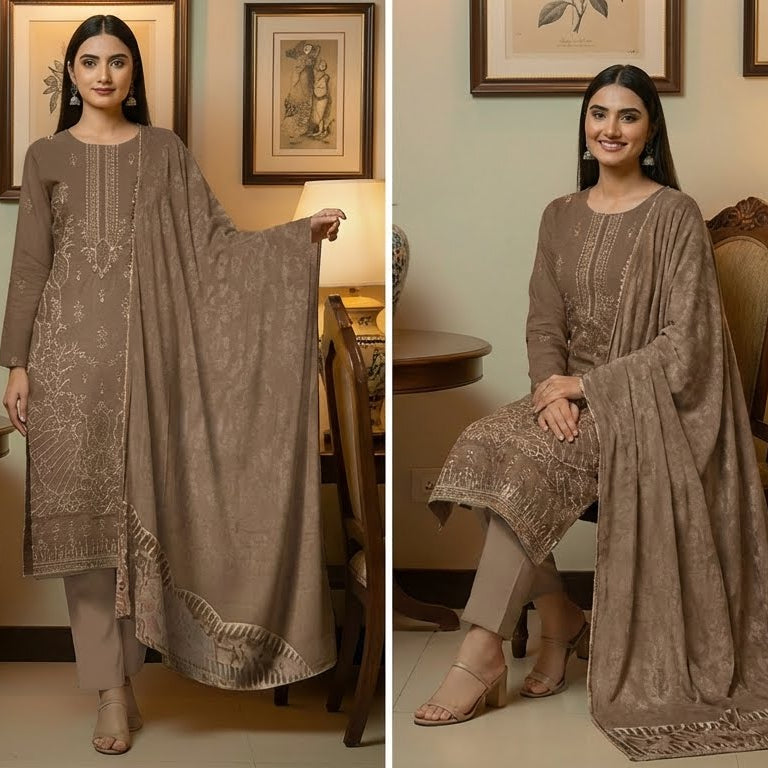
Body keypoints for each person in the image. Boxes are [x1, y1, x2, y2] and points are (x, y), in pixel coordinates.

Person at [1, 15, 346, 756]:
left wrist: (296, 239)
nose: (102, 74)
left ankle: (144, 666)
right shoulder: (46, 156)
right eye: (88, 61)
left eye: (117, 61)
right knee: (86, 533)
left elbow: (214, 248)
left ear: (134, 73)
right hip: (66, 366)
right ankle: (110, 690)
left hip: (155, 364)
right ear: (70, 73)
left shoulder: (165, 152)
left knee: (141, 515)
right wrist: (18, 365)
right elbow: (30, 264)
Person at [414, 64, 768, 761]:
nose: (610, 128)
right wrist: (551, 386)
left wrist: (586, 390)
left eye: (628, 116)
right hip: (564, 398)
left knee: (527, 469)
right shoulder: (560, 216)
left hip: (648, 408)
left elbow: (686, 343)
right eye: (598, 113)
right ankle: (560, 613)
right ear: (584, 124)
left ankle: (480, 648)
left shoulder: (673, 215)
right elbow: (543, 323)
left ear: (650, 131)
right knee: (489, 443)